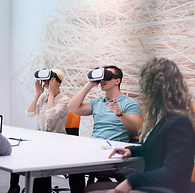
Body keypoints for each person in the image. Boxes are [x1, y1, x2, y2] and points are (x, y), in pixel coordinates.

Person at [102, 58, 195, 193]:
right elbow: (154, 148)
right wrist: (131, 150)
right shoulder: (168, 118)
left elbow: (173, 173)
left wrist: (132, 181)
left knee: (90, 189)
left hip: (163, 189)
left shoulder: (180, 122)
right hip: (156, 186)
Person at [67, 65, 142, 193]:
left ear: (117, 81)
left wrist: (120, 113)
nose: (102, 80)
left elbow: (136, 129)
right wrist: (90, 84)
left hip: (113, 152)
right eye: (101, 77)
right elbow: (73, 108)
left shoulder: (129, 103)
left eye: (107, 76)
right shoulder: (97, 102)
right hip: (94, 149)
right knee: (73, 166)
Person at [8, 68, 70, 193]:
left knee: (39, 161)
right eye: (46, 79)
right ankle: (14, 187)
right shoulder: (43, 97)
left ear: (58, 82)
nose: (46, 81)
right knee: (16, 153)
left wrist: (51, 94)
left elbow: (51, 116)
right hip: (41, 140)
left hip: (57, 142)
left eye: (50, 79)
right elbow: (29, 113)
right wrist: (38, 93)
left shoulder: (65, 100)